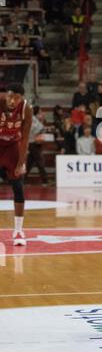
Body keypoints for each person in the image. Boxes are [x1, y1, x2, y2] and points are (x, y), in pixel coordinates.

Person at [0, 83, 32, 246]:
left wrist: (21, 162)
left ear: (22, 99)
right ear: (6, 95)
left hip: (13, 147)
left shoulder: (26, 109)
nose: (12, 100)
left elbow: (25, 138)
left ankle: (18, 231)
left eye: (16, 98)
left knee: (18, 186)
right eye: (10, 96)